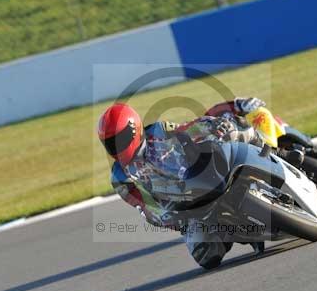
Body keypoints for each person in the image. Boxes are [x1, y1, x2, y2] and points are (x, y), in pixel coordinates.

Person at [97, 98, 266, 269]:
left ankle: (274, 151)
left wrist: (211, 127)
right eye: (111, 143)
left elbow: (188, 128)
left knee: (235, 132)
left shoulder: (158, 131)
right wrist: (166, 216)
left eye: (120, 139)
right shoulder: (120, 177)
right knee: (206, 255)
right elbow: (144, 206)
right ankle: (241, 233)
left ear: (133, 130)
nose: (117, 147)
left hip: (201, 173)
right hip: (183, 209)